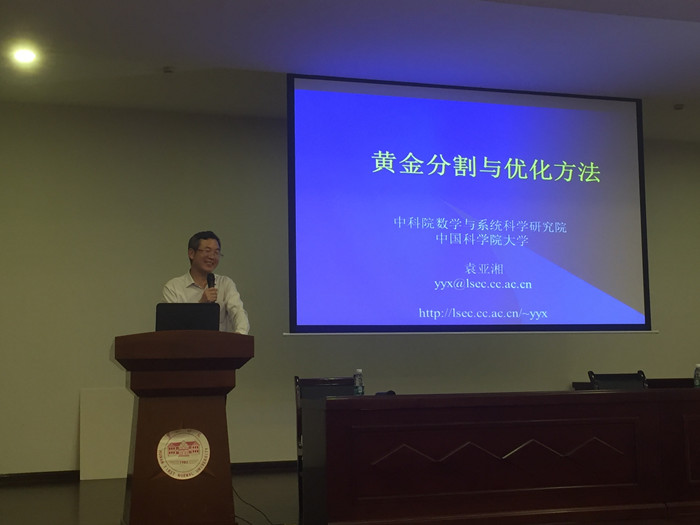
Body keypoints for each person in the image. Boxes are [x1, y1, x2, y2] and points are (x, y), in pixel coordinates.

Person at [162, 231, 250, 334]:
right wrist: (201, 305)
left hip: (219, 344)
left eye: (216, 252)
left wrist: (240, 335)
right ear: (191, 253)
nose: (212, 257)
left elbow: (238, 312)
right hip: (185, 344)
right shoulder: (173, 287)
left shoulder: (225, 283)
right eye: (207, 251)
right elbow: (171, 328)